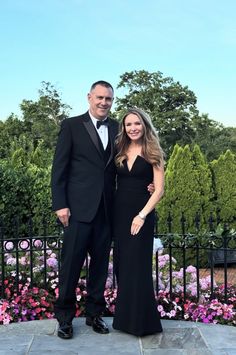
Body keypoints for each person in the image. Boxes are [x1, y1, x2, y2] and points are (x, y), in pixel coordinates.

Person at [51, 80, 119, 339]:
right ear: (89, 97)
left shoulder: (116, 128)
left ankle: (94, 314)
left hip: (105, 211)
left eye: (108, 99)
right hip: (77, 210)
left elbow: (122, 166)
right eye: (100, 97)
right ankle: (65, 319)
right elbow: (59, 168)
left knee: (100, 268)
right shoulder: (71, 126)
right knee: (70, 267)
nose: (104, 102)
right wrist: (60, 204)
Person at [112, 107, 164, 337]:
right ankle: (124, 321)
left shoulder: (153, 151)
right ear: (124, 128)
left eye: (137, 123)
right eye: (128, 124)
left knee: (139, 266)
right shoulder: (119, 149)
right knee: (124, 266)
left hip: (141, 216)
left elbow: (159, 190)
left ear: (144, 125)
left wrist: (142, 215)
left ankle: (144, 323)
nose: (133, 128)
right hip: (119, 214)